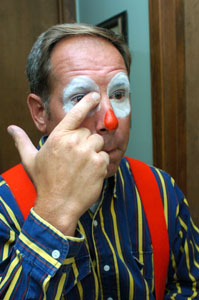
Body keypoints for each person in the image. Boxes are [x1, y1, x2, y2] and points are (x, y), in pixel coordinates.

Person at [0, 23, 198, 300]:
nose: (110, 120)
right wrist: (53, 216)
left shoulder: (163, 190)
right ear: (40, 113)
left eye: (118, 95)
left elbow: (187, 285)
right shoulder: (3, 205)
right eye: (81, 98)